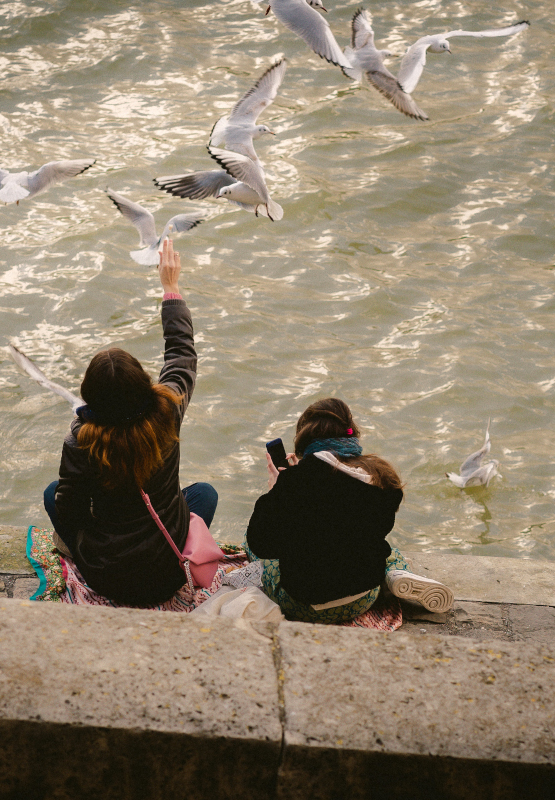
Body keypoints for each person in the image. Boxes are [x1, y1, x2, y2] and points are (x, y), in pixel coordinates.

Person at [43, 239, 216, 606]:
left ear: (91, 397)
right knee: (205, 494)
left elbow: (70, 508)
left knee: (51, 493)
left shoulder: (81, 440)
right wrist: (171, 289)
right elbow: (182, 354)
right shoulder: (167, 411)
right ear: (143, 383)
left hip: (107, 576)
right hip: (170, 571)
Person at [245, 398, 409, 623]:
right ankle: (398, 575)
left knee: (252, 548)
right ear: (350, 432)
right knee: (391, 552)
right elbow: (350, 517)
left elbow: (262, 544)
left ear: (305, 437)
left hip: (306, 605)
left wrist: (276, 491)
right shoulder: (382, 476)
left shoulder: (294, 482)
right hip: (365, 596)